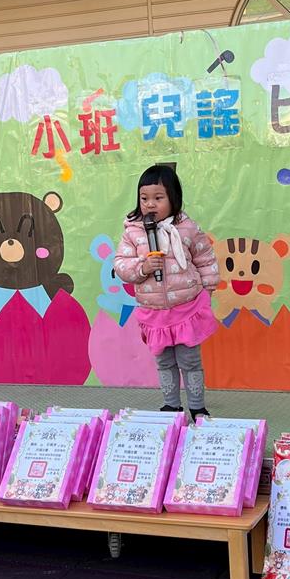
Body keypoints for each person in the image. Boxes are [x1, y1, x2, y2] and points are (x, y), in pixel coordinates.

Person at [113, 165, 221, 419]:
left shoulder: (187, 228)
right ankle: (171, 406)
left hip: (186, 309)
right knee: (164, 361)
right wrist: (143, 267)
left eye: (158, 198)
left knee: (189, 360)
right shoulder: (133, 232)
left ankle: (197, 406)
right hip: (155, 312)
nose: (150, 204)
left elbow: (205, 259)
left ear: (173, 198)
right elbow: (121, 265)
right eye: (144, 198)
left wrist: (207, 292)